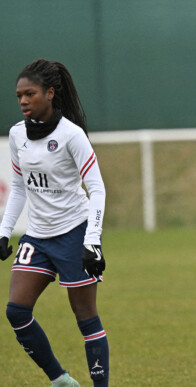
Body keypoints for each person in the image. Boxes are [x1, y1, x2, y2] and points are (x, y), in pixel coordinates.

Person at [0, 59, 108, 386]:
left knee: (86, 319)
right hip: (38, 236)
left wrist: (93, 240)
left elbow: (97, 188)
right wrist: (4, 232)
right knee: (16, 312)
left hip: (75, 233)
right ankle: (60, 379)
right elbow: (19, 187)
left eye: (29, 94)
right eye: (19, 95)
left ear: (49, 93)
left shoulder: (71, 135)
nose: (22, 101)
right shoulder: (17, 135)